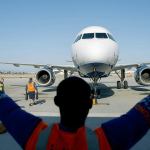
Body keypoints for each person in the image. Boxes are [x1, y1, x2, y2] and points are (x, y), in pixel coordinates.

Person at [0, 76, 150, 149]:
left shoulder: (35, 137)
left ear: (56, 101)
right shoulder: (105, 142)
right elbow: (139, 117)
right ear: (90, 103)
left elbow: (8, 109)